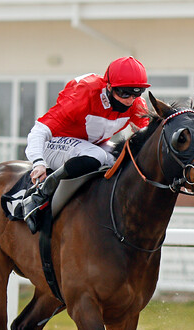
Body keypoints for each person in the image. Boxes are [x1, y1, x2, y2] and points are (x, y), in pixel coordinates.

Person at [18, 56, 151, 233]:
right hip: (54, 143)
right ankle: (39, 195)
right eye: (124, 93)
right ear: (109, 87)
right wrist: (38, 163)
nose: (129, 100)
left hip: (90, 144)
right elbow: (39, 130)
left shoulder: (136, 105)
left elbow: (148, 140)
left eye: (136, 93)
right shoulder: (83, 94)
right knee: (97, 156)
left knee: (122, 160)